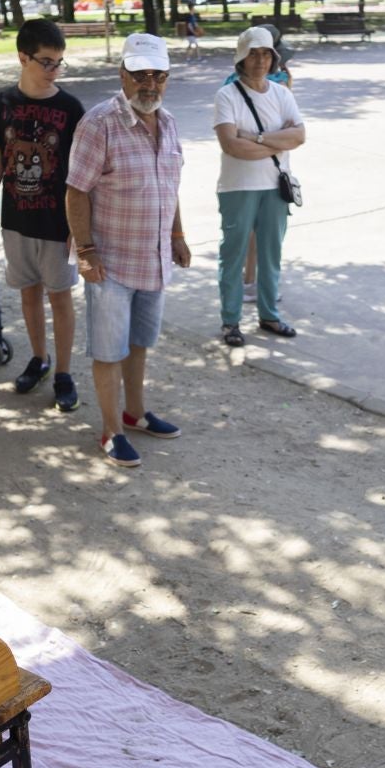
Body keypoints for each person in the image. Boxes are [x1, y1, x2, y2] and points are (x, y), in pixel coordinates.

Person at [64, 32, 191, 468]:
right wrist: (85, 251)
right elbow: (76, 191)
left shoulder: (169, 123)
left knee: (139, 343)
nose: (149, 84)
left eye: (158, 75)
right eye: (140, 75)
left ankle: (135, 413)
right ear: (123, 75)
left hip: (153, 259)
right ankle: (111, 430)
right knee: (108, 350)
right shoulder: (98, 123)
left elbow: (169, 186)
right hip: (111, 264)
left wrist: (177, 235)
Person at [0, 19, 87, 412]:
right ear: (23, 58)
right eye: (46, 62)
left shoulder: (70, 108)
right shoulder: (1, 105)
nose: (54, 70)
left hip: (58, 224)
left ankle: (64, 373)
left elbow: (81, 173)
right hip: (16, 221)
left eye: (59, 62)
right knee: (28, 293)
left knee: (60, 297)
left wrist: (80, 227)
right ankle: (39, 359)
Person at [213, 25, 305, 347]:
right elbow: (231, 145)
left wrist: (256, 138)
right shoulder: (227, 95)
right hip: (237, 187)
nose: (260, 61)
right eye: (253, 54)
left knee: (271, 253)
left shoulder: (282, 94)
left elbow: (300, 136)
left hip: (275, 187)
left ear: (274, 58)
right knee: (233, 255)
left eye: (266, 54)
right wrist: (277, 143)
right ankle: (230, 321)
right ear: (241, 58)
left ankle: (269, 315)